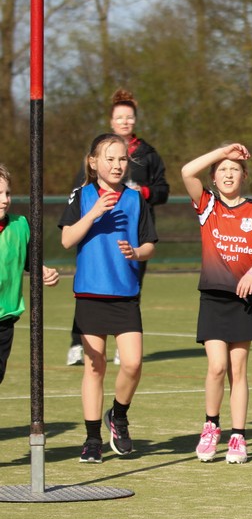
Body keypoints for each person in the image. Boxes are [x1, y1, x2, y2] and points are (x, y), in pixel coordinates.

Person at [58, 134, 158, 463]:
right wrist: (93, 214)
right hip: (90, 293)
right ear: (93, 162)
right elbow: (66, 240)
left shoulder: (135, 199)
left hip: (125, 294)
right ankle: (91, 439)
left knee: (132, 363)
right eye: (109, 159)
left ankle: (118, 415)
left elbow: (149, 245)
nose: (117, 165)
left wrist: (136, 252)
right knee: (94, 366)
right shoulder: (82, 196)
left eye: (122, 159)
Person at [182, 143, 252, 464]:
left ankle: (238, 435)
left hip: (244, 299)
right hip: (213, 297)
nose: (228, 174)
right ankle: (211, 427)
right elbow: (187, 171)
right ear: (213, 177)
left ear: (244, 175)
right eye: (222, 170)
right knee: (217, 366)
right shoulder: (207, 205)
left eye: (234, 169)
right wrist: (224, 151)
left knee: (238, 369)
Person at [67, 89, 169, 366]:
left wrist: (142, 191)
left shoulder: (148, 154)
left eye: (129, 117)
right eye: (119, 117)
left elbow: (162, 190)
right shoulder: (98, 153)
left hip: (131, 235)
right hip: (95, 237)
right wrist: (91, 211)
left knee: (130, 285)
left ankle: (123, 346)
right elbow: (79, 191)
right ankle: (77, 342)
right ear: (112, 121)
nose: (125, 121)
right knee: (90, 285)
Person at [0, 164, 60, 388]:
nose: (5, 200)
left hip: (5, 319)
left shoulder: (20, 225)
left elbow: (30, 262)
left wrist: (44, 271)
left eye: (7, 193)